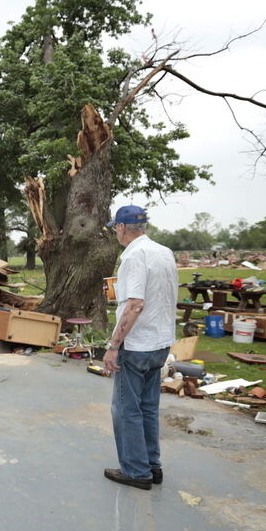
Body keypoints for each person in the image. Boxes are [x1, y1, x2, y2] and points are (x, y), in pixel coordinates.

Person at [102, 205, 178, 490]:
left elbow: (135, 304)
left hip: (136, 344)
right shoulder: (164, 252)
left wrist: (114, 345)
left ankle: (136, 471)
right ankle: (152, 465)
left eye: (115, 229)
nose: (115, 233)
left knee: (126, 409)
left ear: (121, 228)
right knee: (148, 407)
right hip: (160, 342)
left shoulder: (133, 256)